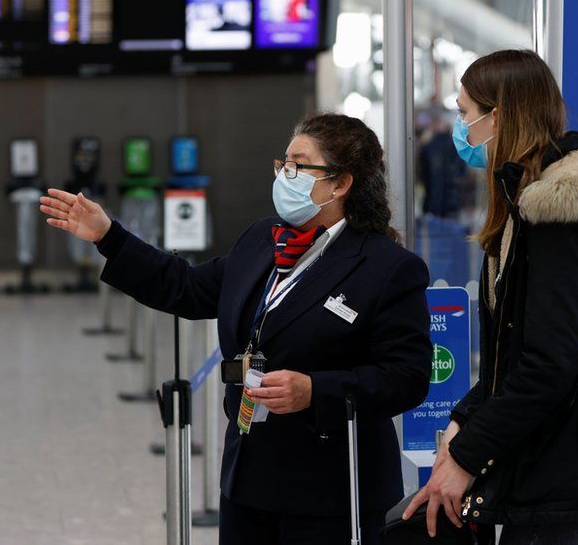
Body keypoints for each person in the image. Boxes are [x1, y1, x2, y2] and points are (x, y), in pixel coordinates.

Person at [40, 113, 433, 544]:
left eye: (300, 165)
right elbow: (187, 288)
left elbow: (406, 378)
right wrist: (109, 237)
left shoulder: (387, 268)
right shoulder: (265, 239)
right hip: (249, 478)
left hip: (332, 492)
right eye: (284, 163)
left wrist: (315, 390)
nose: (287, 174)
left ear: (340, 184)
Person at [405, 49, 578, 544]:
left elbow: (548, 365)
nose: (461, 128)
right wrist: (462, 423)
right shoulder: (525, 205)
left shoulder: (559, 218)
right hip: (541, 458)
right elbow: (512, 355)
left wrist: (466, 456)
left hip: (562, 466)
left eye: (465, 113)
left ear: (498, 116)